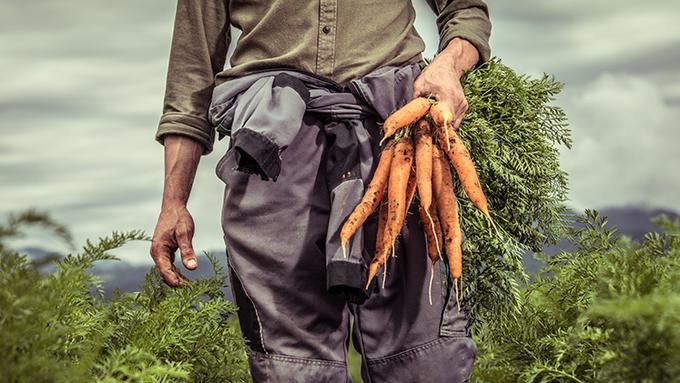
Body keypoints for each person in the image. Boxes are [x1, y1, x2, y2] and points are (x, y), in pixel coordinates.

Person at [150, 1, 491, 381]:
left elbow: (465, 9)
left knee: (424, 356)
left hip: (401, 143)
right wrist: (173, 202)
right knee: (292, 363)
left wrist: (449, 64)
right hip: (273, 154)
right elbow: (191, 77)